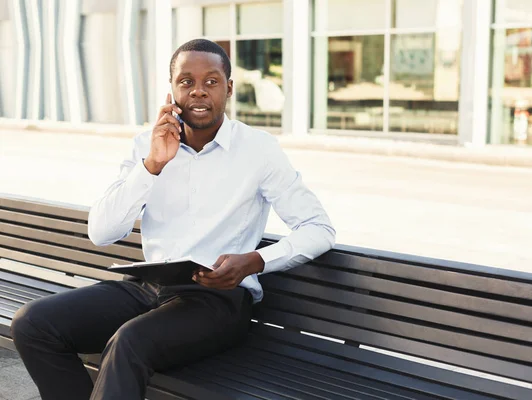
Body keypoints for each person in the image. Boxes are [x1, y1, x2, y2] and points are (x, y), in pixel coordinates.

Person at [10, 39, 335, 400]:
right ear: (172, 90)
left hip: (217, 300)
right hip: (149, 287)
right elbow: (102, 232)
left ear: (228, 89)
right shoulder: (146, 148)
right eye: (186, 81)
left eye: (211, 82)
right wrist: (152, 165)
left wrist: (255, 260)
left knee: (127, 342)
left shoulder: (258, 150)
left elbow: (318, 228)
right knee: (34, 324)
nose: (198, 91)